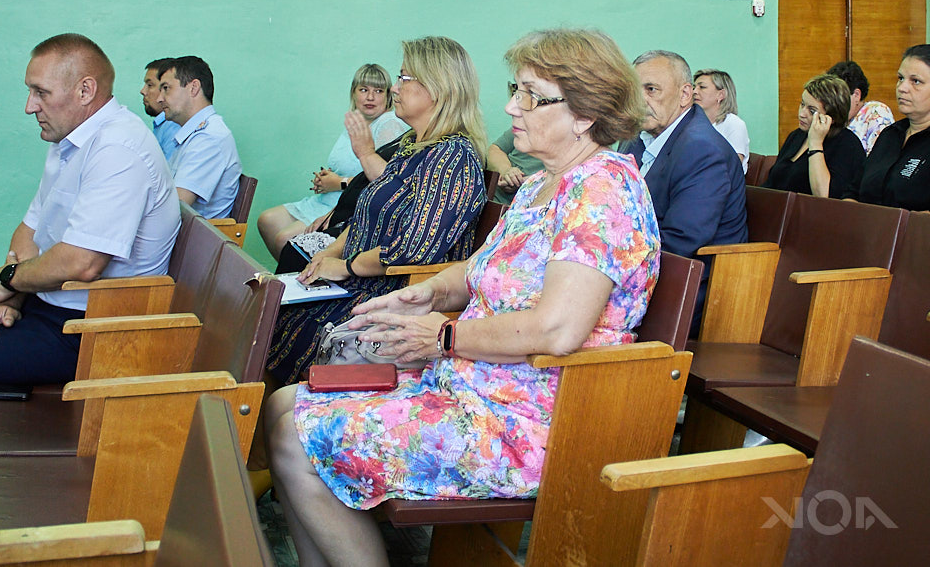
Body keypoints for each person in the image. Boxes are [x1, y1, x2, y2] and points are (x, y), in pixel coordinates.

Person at [263, 28, 659, 565]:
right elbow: (477, 270)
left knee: (294, 439)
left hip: (531, 421)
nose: (511, 107)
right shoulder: (545, 184)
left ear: (584, 115)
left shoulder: (602, 191)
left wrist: (445, 336)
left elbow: (557, 329)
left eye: (530, 96)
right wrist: (427, 294)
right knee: (282, 406)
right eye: (515, 90)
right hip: (473, 384)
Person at [0, 34, 181, 457]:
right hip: (53, 306)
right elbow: (29, 229)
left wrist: (9, 280)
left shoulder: (118, 148)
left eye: (40, 92)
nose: (29, 106)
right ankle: (0, 454)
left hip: (95, 331)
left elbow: (82, 262)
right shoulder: (70, 140)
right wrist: (12, 300)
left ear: (85, 90)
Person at [265, 36, 487, 386]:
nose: (395, 88)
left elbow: (415, 249)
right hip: (364, 279)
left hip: (397, 290)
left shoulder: (452, 157)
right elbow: (366, 215)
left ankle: (277, 410)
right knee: (271, 307)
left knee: (293, 326)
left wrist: (345, 266)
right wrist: (329, 253)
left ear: (439, 88)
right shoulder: (411, 144)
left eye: (405, 78)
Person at [619, 50, 746, 333]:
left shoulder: (702, 149)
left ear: (685, 94)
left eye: (651, 90)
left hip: (685, 288)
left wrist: (607, 264)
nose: (640, 100)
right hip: (643, 268)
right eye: (635, 90)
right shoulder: (635, 137)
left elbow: (681, 240)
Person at [258, 64, 407, 260]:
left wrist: (339, 183)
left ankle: (302, 274)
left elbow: (383, 179)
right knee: (267, 220)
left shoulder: (388, 123)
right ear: (353, 93)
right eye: (364, 90)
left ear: (388, 95)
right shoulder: (356, 122)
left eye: (378, 91)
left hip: (345, 205)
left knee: (284, 239)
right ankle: (295, 271)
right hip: (325, 199)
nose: (370, 97)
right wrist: (324, 179)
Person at [845, 44, 930, 214]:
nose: (902, 88)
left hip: (920, 231)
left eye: (916, 81)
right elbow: (853, 192)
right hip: (867, 227)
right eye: (900, 78)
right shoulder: (891, 134)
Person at [157, 56, 242, 219]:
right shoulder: (195, 134)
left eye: (166, 88)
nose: (159, 98)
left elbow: (174, 208)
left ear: (193, 88)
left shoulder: (208, 138)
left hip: (193, 235)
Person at [763, 74, 865, 198]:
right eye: (802, 104)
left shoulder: (848, 145)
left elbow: (824, 196)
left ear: (832, 117)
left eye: (812, 111)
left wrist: (816, 144)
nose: (802, 114)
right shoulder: (796, 136)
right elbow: (771, 183)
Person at [829, 60, 893, 155]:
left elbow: (879, 157)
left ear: (856, 95)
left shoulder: (876, 111)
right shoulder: (835, 118)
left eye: (838, 97)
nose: (833, 103)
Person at [692, 69, 750, 173]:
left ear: (721, 95)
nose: (694, 91)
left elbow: (733, 168)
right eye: (694, 87)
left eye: (702, 87)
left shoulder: (734, 124)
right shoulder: (692, 123)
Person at [487, 128, 545, 204]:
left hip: (533, 204)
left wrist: (525, 182)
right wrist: (506, 171)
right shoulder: (529, 124)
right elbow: (495, 149)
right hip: (491, 196)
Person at [139, 57, 180, 160]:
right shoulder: (163, 125)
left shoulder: (173, 126)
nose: (143, 91)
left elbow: (170, 170)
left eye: (150, 85)